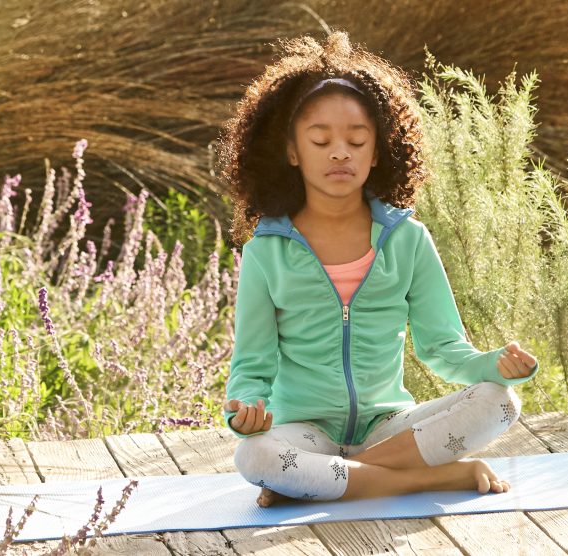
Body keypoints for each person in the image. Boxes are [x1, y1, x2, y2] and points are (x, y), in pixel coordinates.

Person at [215, 32, 540, 507]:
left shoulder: (408, 240)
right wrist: (244, 412)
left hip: (390, 427)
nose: (340, 152)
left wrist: (497, 365)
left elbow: (443, 348)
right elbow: (251, 367)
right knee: (256, 457)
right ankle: (426, 479)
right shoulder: (267, 252)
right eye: (321, 139)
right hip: (303, 432)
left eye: (357, 139)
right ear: (291, 151)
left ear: (377, 150)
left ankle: (325, 482)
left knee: (501, 402)